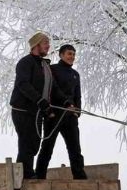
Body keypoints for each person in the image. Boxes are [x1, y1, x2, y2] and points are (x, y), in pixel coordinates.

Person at [9, 32, 71, 179]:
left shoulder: (45, 65)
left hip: (37, 111)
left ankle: (26, 174)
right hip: (23, 110)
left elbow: (53, 87)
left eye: (48, 43)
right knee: (27, 143)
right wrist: (39, 100)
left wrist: (66, 101)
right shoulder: (25, 62)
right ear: (36, 45)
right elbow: (23, 84)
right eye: (45, 43)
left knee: (35, 143)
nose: (48, 46)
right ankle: (25, 177)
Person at [34, 44, 88, 180]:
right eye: (69, 54)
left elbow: (78, 96)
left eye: (74, 55)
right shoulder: (52, 70)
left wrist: (77, 111)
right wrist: (64, 104)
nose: (72, 57)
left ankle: (80, 176)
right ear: (61, 55)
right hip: (54, 114)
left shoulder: (76, 75)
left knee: (75, 149)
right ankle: (39, 176)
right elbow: (53, 89)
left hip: (70, 117)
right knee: (47, 147)